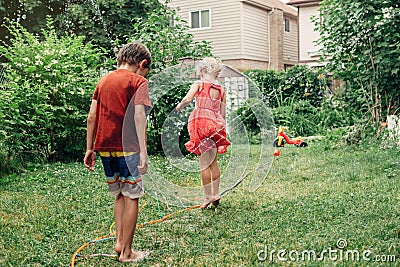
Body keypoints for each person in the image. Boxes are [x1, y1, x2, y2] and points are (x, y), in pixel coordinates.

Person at [83, 42, 152, 263]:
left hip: (105, 149)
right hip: (129, 147)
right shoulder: (138, 81)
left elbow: (91, 117)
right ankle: (127, 253)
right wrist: (143, 151)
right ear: (142, 64)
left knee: (120, 194)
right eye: (147, 69)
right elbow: (139, 117)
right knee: (133, 196)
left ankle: (120, 242)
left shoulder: (103, 80)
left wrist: (89, 148)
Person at [176, 57, 231, 209]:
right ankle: (216, 193)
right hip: (215, 124)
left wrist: (180, 106)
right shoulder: (221, 90)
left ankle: (208, 197)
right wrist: (222, 127)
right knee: (213, 162)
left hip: (201, 123)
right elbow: (223, 112)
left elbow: (188, 99)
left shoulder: (199, 84)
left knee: (203, 163)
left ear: (203, 71)